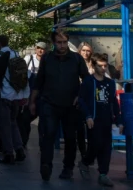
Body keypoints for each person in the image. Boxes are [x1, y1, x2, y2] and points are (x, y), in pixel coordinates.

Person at [30, 29, 89, 181]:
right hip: (49, 103)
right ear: (54, 43)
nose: (62, 45)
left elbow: (87, 81)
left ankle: (68, 168)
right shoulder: (47, 58)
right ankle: (46, 165)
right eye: (59, 42)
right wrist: (32, 101)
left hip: (71, 105)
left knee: (70, 138)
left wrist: (80, 96)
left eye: (64, 42)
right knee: (48, 135)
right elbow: (39, 80)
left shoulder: (76, 59)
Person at [79, 52, 119, 187]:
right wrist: (88, 116)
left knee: (106, 147)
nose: (103, 69)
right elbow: (82, 100)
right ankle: (85, 162)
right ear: (93, 65)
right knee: (94, 144)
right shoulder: (89, 82)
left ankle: (103, 173)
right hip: (93, 119)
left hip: (106, 119)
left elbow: (114, 101)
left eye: (105, 66)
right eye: (100, 66)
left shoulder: (110, 83)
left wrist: (118, 119)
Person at [0, 39, 29, 164]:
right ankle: (19, 150)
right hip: (17, 95)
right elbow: (26, 76)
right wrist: (25, 95)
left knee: (5, 126)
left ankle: (8, 154)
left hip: (4, 96)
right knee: (13, 123)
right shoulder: (17, 55)